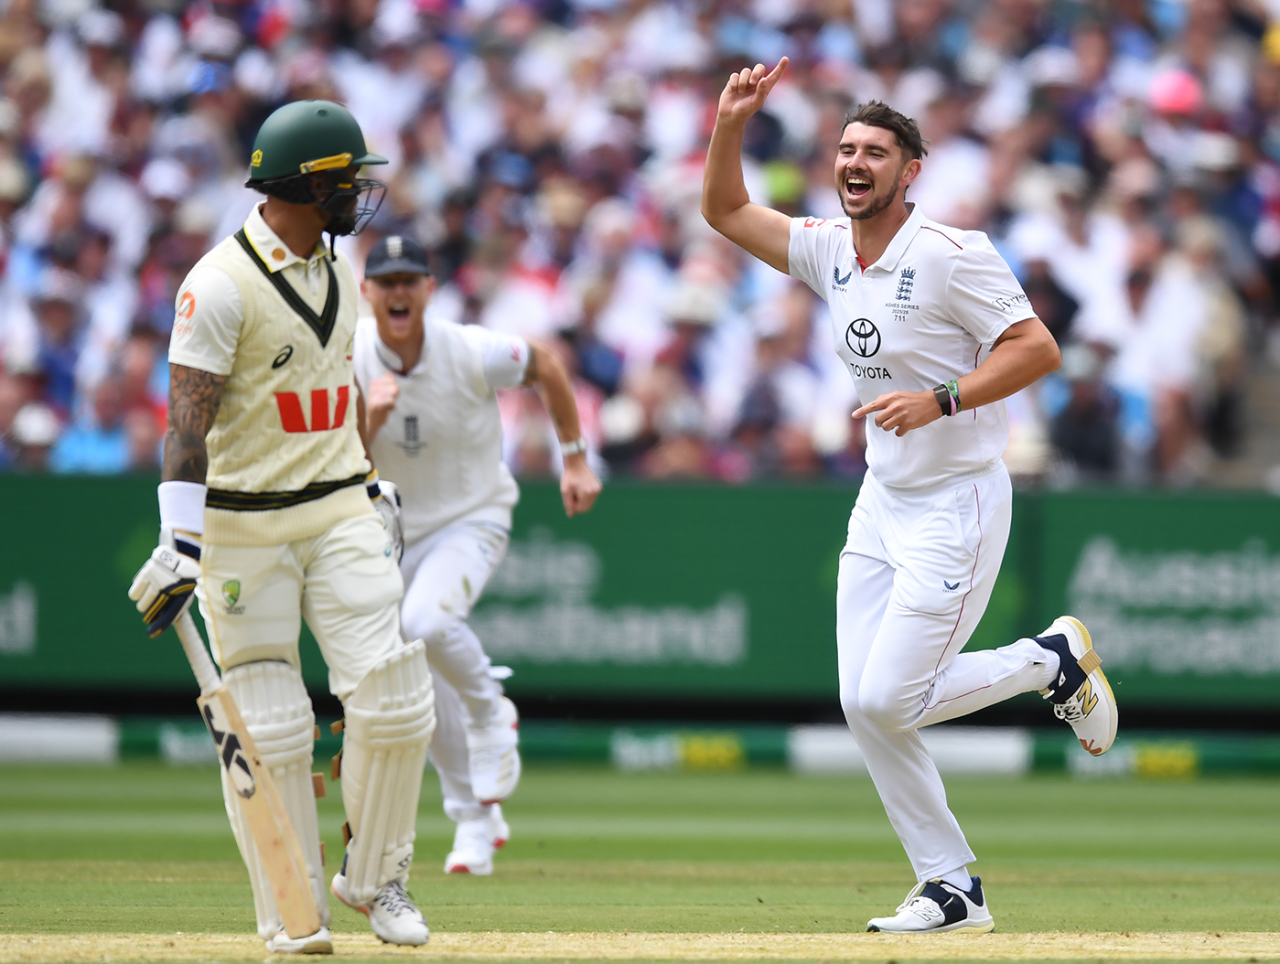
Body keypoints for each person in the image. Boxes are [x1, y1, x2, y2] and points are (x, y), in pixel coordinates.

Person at [702, 61, 1118, 934]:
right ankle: (951, 886)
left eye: (876, 152)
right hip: (880, 501)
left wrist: (943, 398)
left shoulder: (951, 253)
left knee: (889, 700)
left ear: (909, 170)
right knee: (866, 704)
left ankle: (1049, 662)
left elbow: (1038, 348)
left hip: (958, 502)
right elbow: (727, 212)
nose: (856, 163)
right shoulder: (827, 248)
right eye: (846, 149)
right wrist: (731, 122)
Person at [127, 100, 436, 953]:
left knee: (400, 697)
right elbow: (186, 425)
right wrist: (178, 542)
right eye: (347, 181)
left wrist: (369, 483)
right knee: (270, 725)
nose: (359, 196)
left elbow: (326, 396)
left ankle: (376, 878)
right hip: (242, 530)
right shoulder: (218, 286)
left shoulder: (341, 269)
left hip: (339, 509)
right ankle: (293, 908)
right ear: (305, 186)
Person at [353, 233, 601, 876]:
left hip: (473, 518)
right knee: (418, 680)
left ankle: (492, 709)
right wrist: (368, 421)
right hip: (392, 532)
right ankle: (473, 817)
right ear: (367, 292)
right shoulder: (349, 355)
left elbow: (545, 363)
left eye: (412, 279)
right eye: (388, 281)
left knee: (428, 624)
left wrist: (574, 460)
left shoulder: (467, 350)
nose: (400, 291)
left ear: (429, 291)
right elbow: (339, 459)